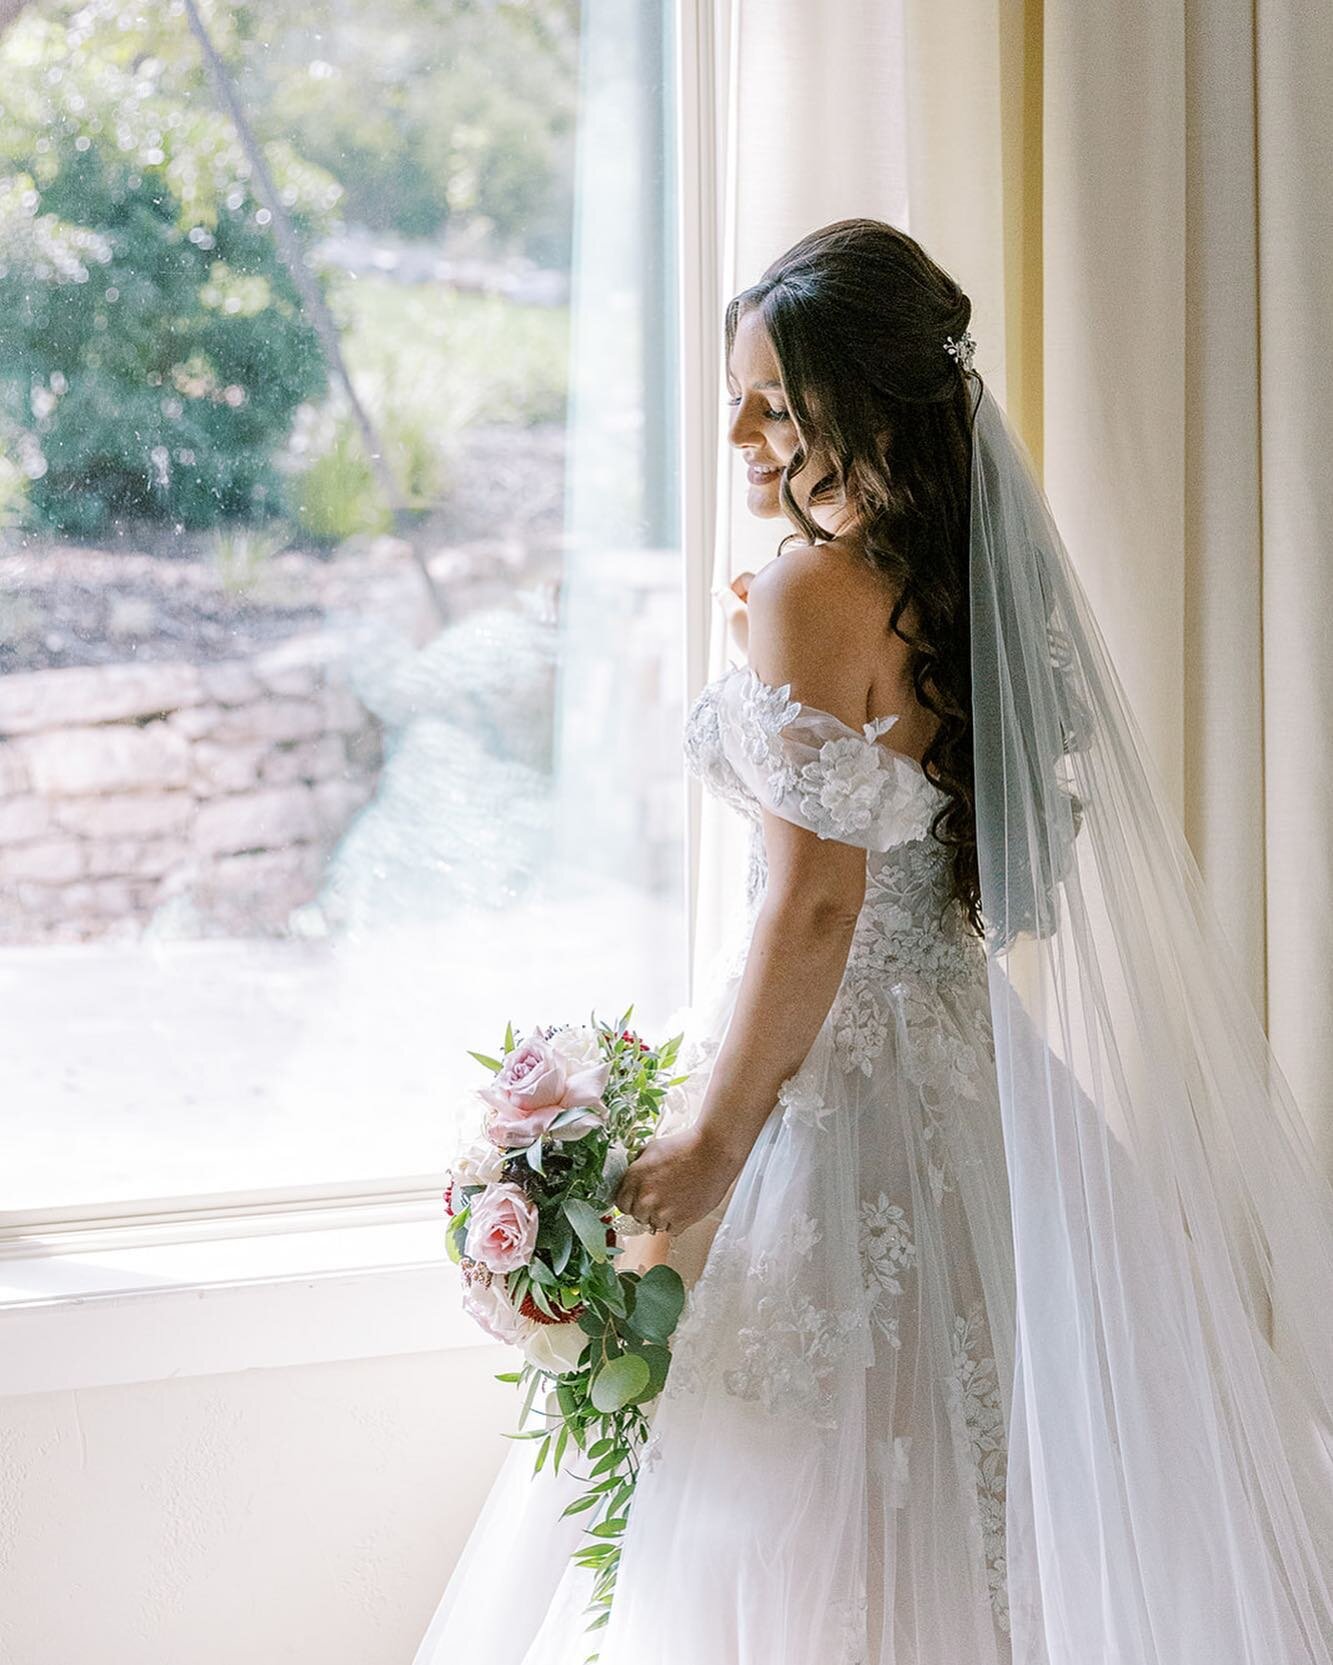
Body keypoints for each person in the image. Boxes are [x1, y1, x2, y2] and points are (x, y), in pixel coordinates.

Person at [412, 220, 1333, 1665]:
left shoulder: (807, 592)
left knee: (796, 1500)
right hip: (974, 1079)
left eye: (771, 402)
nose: (736, 428)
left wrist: (712, 1139)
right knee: (985, 1484)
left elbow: (815, 903)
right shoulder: (954, 585)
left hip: (832, 1092)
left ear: (861, 400)